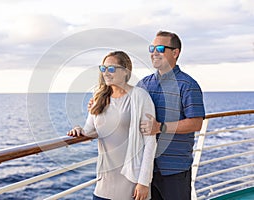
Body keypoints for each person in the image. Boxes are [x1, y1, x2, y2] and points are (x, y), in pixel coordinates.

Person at [67, 51, 157, 200]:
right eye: (103, 69)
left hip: (132, 185)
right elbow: (89, 131)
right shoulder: (99, 98)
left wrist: (143, 182)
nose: (106, 73)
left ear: (125, 71)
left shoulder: (140, 96)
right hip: (104, 185)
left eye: (112, 69)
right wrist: (78, 130)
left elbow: (150, 142)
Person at [138, 31, 206, 200]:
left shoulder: (188, 85)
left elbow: (196, 123)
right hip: (146, 170)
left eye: (160, 48)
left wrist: (160, 127)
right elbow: (126, 108)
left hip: (175, 171)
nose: (154, 52)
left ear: (175, 53)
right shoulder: (144, 84)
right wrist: (99, 104)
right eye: (152, 48)